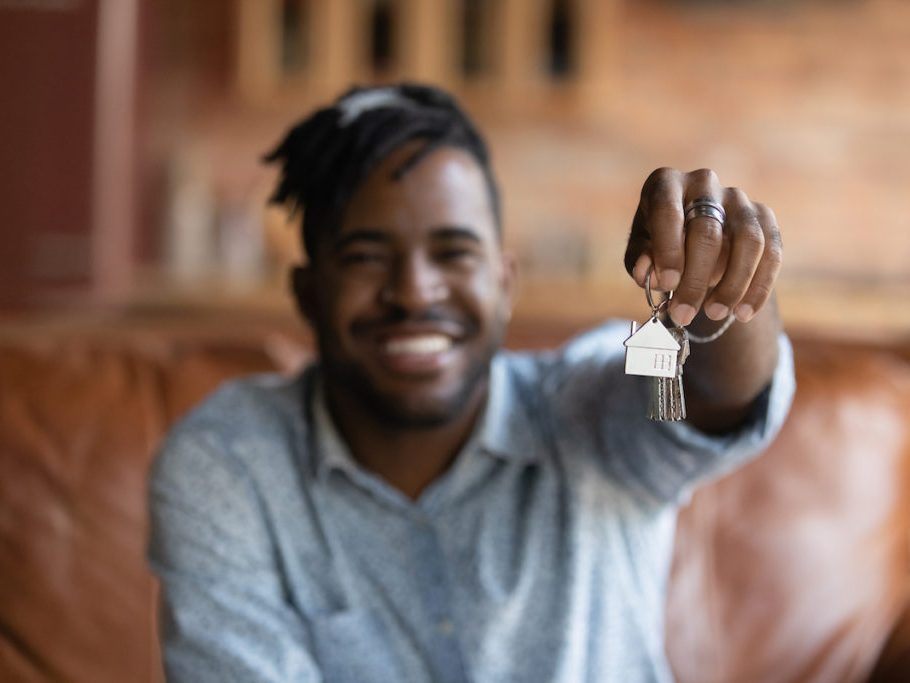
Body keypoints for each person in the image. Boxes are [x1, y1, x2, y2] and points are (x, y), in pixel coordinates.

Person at [148, 83, 794, 683]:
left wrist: (721, 292)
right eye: (367, 256)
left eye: (454, 252)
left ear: (504, 284)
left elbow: (721, 398)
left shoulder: (585, 407)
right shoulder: (229, 462)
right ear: (308, 294)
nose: (413, 292)